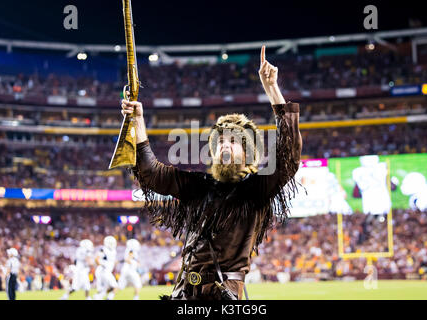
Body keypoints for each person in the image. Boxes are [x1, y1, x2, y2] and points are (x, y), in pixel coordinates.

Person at [122, 46, 302, 300]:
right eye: (221, 142)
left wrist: (273, 89)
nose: (225, 145)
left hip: (226, 295)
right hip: (186, 292)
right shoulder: (198, 186)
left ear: (248, 154)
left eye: (234, 141)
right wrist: (138, 119)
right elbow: (150, 173)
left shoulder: (255, 190)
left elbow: (289, 157)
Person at [93, 236, 118, 300]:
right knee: (115, 287)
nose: (112, 244)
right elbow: (96, 259)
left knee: (104, 289)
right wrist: (102, 265)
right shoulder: (103, 249)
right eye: (111, 243)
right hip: (103, 271)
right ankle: (103, 297)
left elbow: (111, 261)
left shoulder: (113, 251)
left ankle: (97, 297)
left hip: (106, 271)